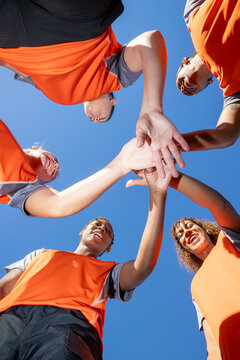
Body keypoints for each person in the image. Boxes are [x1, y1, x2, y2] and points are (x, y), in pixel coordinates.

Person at [0, 0, 189, 178]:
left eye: (95, 121)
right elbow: (150, 40)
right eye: (104, 117)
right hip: (77, 26)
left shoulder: (61, 97)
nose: (97, 119)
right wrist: (152, 108)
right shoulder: (118, 79)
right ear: (112, 101)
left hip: (13, 39)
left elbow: (22, 70)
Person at [0, 166, 171, 359]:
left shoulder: (109, 272)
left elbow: (142, 267)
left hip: (68, 326)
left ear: (108, 247)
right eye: (97, 224)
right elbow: (4, 288)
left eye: (108, 231)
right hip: (9, 318)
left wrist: (158, 193)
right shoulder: (40, 254)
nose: (102, 229)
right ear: (82, 231)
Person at [127, 169, 240, 359]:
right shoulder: (196, 287)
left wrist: (169, 179)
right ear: (186, 249)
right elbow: (212, 342)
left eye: (189, 226)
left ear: (204, 229)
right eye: (181, 236)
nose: (186, 233)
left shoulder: (229, 239)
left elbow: (220, 206)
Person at [0, 119, 155, 218]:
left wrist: (122, 163)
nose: (55, 165)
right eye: (55, 160)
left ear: (41, 184)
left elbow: (59, 203)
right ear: (36, 148)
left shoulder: (19, 187)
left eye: (53, 173)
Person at [176, 0, 240, 152]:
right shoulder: (232, 89)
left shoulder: (191, 15)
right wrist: (175, 145)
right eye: (189, 92)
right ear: (208, 83)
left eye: (179, 83)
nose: (185, 88)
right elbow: (228, 135)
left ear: (185, 61)